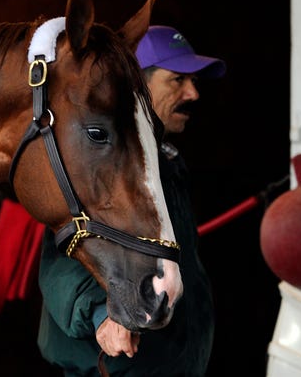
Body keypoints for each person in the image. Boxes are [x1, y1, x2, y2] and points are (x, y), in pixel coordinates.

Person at [37, 25, 226, 376]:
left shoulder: (167, 161)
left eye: (194, 82)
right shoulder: (99, 165)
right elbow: (63, 260)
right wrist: (104, 314)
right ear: (136, 84)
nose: (193, 94)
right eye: (178, 80)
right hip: (115, 367)